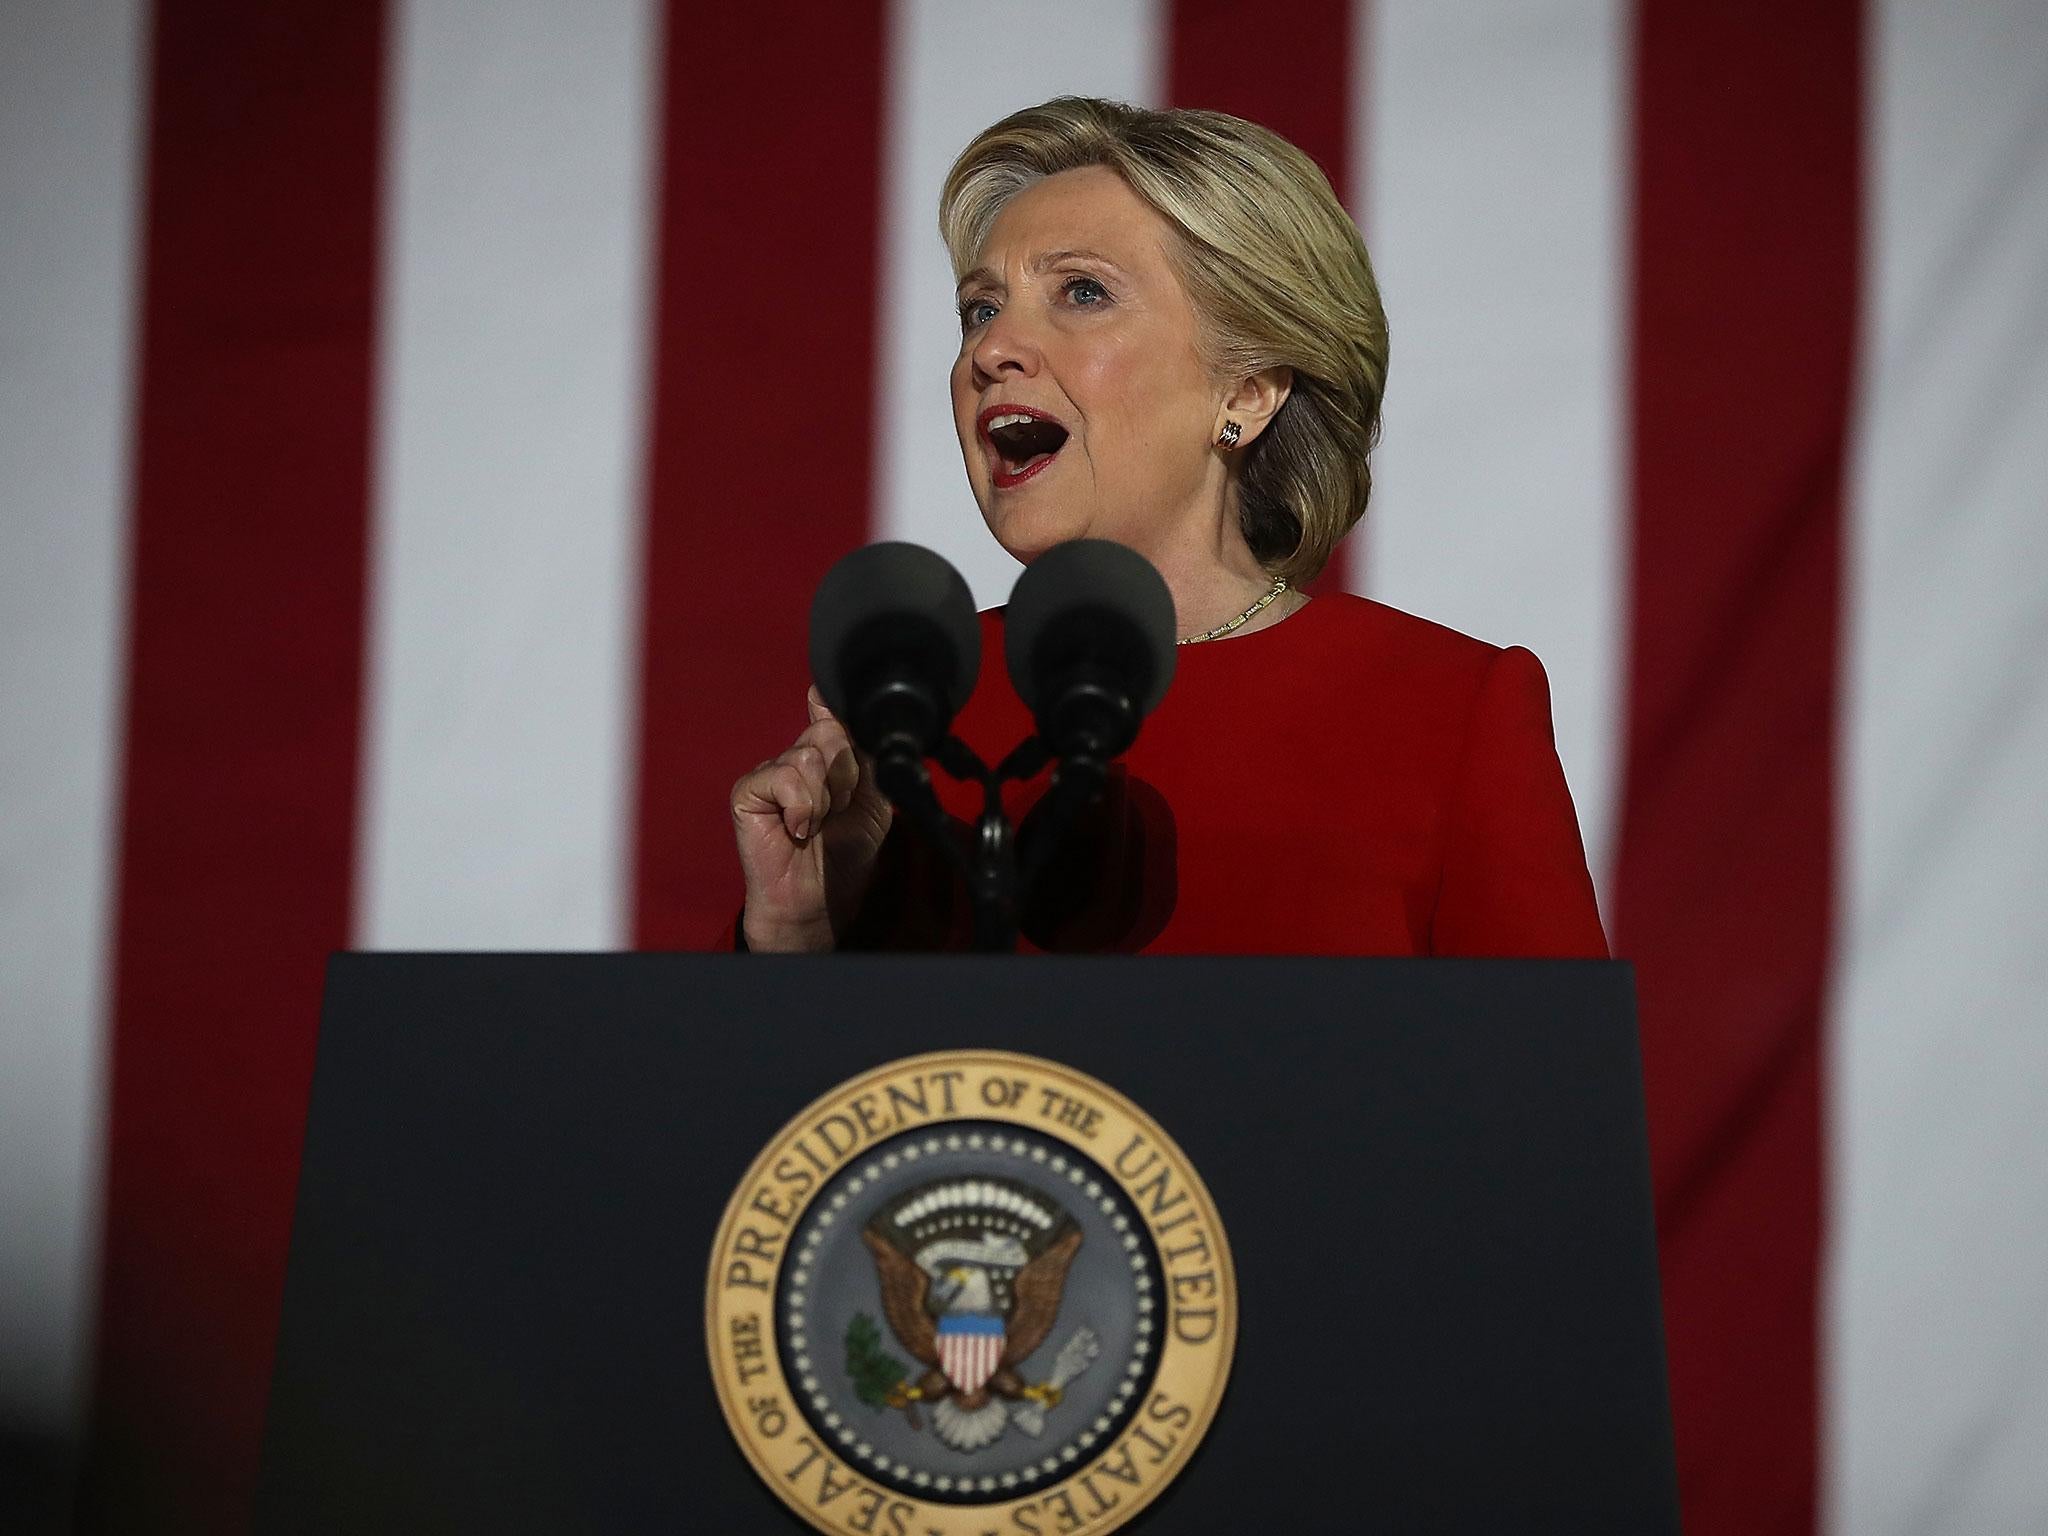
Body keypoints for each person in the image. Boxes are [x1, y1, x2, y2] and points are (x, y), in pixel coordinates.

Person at [726, 96, 1606, 959]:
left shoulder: (1449, 711)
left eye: (1081, 291)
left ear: (1247, 391)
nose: (989, 353)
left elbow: (1551, 1094)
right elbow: (767, 1103)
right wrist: (799, 939)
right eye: (981, 309)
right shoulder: (908, 707)